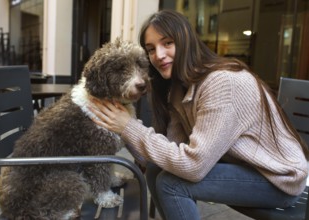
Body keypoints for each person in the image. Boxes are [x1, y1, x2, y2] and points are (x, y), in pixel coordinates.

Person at [89, 9, 309, 220]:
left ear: (186, 41)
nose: (159, 55)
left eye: (167, 43)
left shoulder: (223, 83)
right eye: (151, 49)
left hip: (277, 179)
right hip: (241, 168)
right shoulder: (179, 90)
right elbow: (166, 154)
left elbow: (193, 166)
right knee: (157, 170)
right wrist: (122, 126)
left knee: (171, 184)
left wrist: (128, 126)